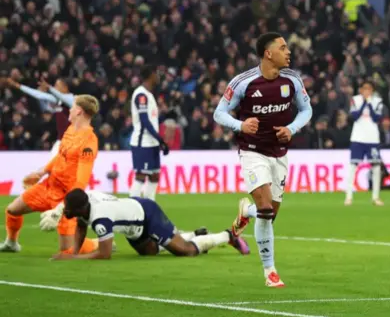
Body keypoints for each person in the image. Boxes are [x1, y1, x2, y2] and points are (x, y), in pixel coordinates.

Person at [214, 32, 313, 287]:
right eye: (283, 47)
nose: (288, 51)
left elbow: (306, 110)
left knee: (268, 214)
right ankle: (270, 271)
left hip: (279, 154)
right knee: (266, 210)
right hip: (252, 152)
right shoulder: (244, 82)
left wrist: (292, 128)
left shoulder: (292, 79)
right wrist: (240, 125)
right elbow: (219, 113)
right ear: (268, 54)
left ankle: (246, 211)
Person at [0, 94, 102, 254]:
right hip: (49, 186)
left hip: (66, 196)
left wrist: (62, 207)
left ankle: (98, 243)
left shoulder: (89, 141)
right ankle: (11, 243)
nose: (70, 109)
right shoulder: (70, 130)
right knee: (12, 210)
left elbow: (81, 182)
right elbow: (60, 156)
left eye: (73, 106)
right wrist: (41, 172)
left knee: (67, 249)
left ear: (79, 112)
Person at [50, 189, 249, 260]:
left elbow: (105, 254)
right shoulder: (87, 206)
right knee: (150, 252)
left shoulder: (100, 219)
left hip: (147, 214)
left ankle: (227, 236)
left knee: (185, 251)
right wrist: (74, 252)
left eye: (68, 208)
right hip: (133, 227)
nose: (66, 211)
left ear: (80, 209)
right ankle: (192, 234)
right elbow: (81, 225)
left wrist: (73, 260)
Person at [1, 77, 73, 156]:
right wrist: (17, 85)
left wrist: (50, 88)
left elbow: (64, 98)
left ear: (65, 88)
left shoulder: (72, 99)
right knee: (52, 165)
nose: (54, 88)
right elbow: (38, 95)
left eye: (56, 86)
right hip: (61, 140)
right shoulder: (57, 100)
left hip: (73, 140)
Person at [129, 65, 170, 201]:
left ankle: (149, 207)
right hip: (143, 142)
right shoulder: (141, 95)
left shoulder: (149, 95)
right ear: (150, 76)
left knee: (154, 176)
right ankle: (132, 208)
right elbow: (145, 122)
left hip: (151, 142)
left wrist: (166, 115)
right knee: (141, 176)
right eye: (156, 74)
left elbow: (153, 121)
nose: (158, 76)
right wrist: (161, 140)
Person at [344, 81, 385, 206]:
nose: (367, 91)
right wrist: (364, 104)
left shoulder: (378, 101)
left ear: (372, 90)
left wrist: (369, 104)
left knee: (376, 167)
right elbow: (354, 116)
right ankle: (349, 196)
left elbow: (376, 118)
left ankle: (375, 197)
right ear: (361, 90)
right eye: (364, 89)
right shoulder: (355, 100)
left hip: (372, 138)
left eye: (369, 89)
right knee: (352, 166)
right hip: (358, 137)